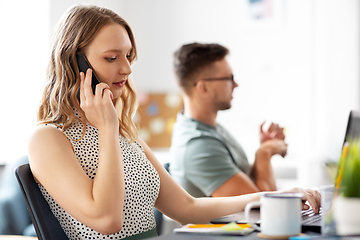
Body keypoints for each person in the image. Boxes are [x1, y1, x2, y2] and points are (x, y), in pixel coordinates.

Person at [28, 5, 320, 240]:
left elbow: (187, 208)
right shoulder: (48, 139)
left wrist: (274, 197)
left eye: (128, 56)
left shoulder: (123, 133)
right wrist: (107, 129)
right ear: (75, 63)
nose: (127, 68)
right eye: (111, 57)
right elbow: (107, 220)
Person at [170, 43, 288, 198]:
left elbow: (242, 181)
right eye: (229, 78)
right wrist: (264, 153)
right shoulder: (198, 145)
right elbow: (263, 209)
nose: (236, 85)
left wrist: (265, 148)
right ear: (204, 88)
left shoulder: (210, 129)